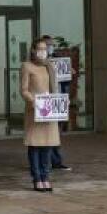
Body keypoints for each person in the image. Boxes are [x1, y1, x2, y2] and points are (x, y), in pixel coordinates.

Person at [21, 38, 59, 192]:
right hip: (35, 111)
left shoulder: (50, 66)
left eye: (45, 48)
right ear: (33, 50)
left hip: (49, 111)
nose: (43, 51)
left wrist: (60, 101)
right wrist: (34, 101)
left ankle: (46, 176)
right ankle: (37, 177)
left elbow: (55, 89)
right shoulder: (27, 66)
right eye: (40, 48)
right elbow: (24, 90)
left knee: (47, 146)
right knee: (35, 146)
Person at [39, 34, 72, 172]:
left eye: (52, 45)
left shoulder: (59, 61)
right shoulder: (39, 63)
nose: (50, 47)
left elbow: (65, 81)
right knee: (46, 132)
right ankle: (46, 161)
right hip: (46, 101)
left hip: (58, 100)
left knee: (57, 133)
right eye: (47, 45)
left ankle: (56, 161)